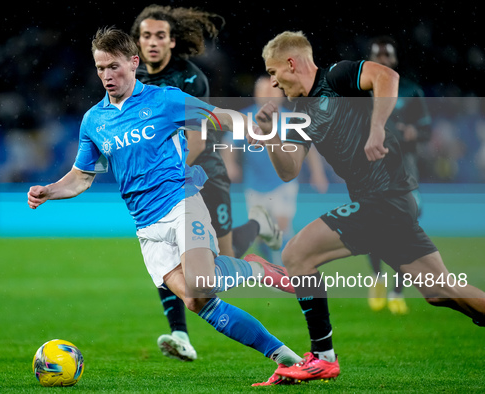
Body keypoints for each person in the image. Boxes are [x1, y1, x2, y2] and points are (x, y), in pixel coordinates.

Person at [27, 27, 301, 386]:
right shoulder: (94, 120)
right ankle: (285, 357)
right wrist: (49, 190)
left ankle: (254, 269)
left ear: (134, 62)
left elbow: (218, 115)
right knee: (196, 302)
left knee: (201, 283)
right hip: (146, 226)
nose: (107, 76)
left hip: (181, 203)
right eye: (99, 69)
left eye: (114, 67)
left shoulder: (165, 100)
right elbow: (81, 177)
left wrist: (248, 126)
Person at [250, 30, 485, 384]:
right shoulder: (302, 111)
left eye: (272, 72)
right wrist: (269, 135)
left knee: (297, 254)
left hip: (385, 198)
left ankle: (323, 358)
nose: (272, 82)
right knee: (440, 291)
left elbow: (387, 76)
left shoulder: (337, 76)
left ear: (291, 63)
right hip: (382, 203)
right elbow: (289, 170)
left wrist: (377, 128)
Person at [130, 4, 282, 362]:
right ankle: (179, 333)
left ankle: (259, 223)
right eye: (146, 36)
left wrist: (167, 173)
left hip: (205, 170)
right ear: (137, 42)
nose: (153, 42)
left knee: (224, 261)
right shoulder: (134, 81)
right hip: (168, 183)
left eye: (160, 36)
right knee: (166, 251)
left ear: (172, 41)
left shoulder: (191, 78)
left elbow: (197, 139)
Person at [222, 75, 329, 266]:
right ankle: (269, 264)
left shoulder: (292, 120)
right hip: (254, 184)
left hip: (283, 183)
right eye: (263, 91)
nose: (268, 95)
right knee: (261, 233)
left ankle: (284, 267)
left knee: (282, 225)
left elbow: (310, 149)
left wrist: (317, 173)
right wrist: (230, 164)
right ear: (256, 95)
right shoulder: (246, 118)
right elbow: (228, 143)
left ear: (282, 95)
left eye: (272, 91)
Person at [366, 35, 432, 315]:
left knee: (405, 230)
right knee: (371, 229)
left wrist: (413, 132)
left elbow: (427, 129)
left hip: (405, 172)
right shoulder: (360, 93)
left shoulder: (410, 90)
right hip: (371, 170)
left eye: (387, 56)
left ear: (394, 59)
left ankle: (397, 291)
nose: (383, 60)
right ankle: (378, 279)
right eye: (377, 56)